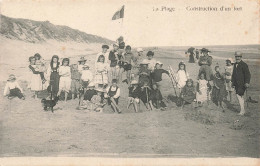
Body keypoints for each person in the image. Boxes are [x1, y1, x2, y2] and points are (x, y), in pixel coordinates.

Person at [231, 52, 251, 116]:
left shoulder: (244, 65)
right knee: (239, 96)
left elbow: (248, 74)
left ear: (241, 57)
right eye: (236, 56)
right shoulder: (234, 64)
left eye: (239, 56)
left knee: (239, 96)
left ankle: (242, 111)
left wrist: (247, 82)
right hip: (236, 84)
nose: (237, 58)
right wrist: (232, 82)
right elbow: (234, 74)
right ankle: (242, 110)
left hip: (242, 84)